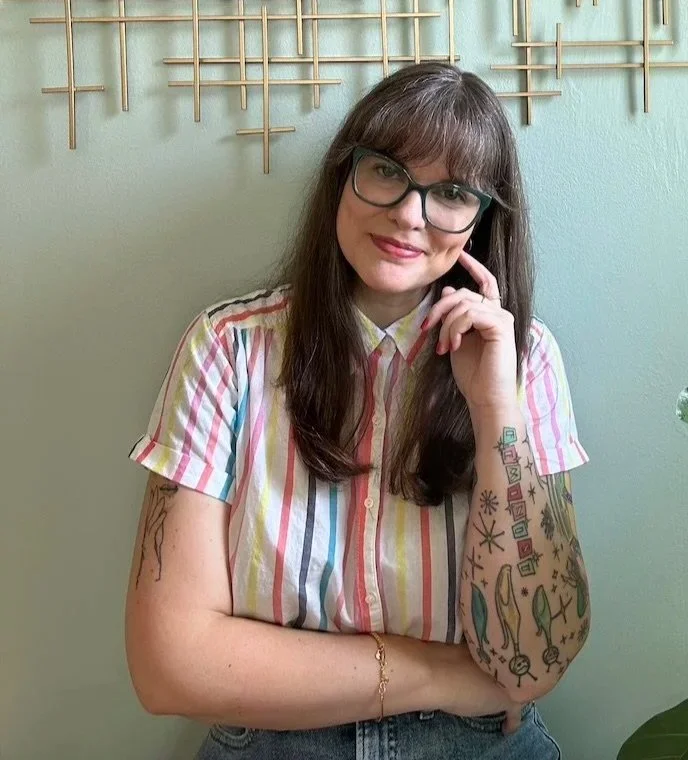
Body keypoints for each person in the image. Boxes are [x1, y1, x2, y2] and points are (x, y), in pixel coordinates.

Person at [125, 62, 590, 760]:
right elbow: (171, 667)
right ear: (344, 176)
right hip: (275, 741)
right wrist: (441, 674)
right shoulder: (228, 349)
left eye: (452, 193)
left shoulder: (528, 359)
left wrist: (497, 408)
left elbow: (536, 656)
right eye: (387, 172)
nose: (410, 213)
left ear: (481, 219)